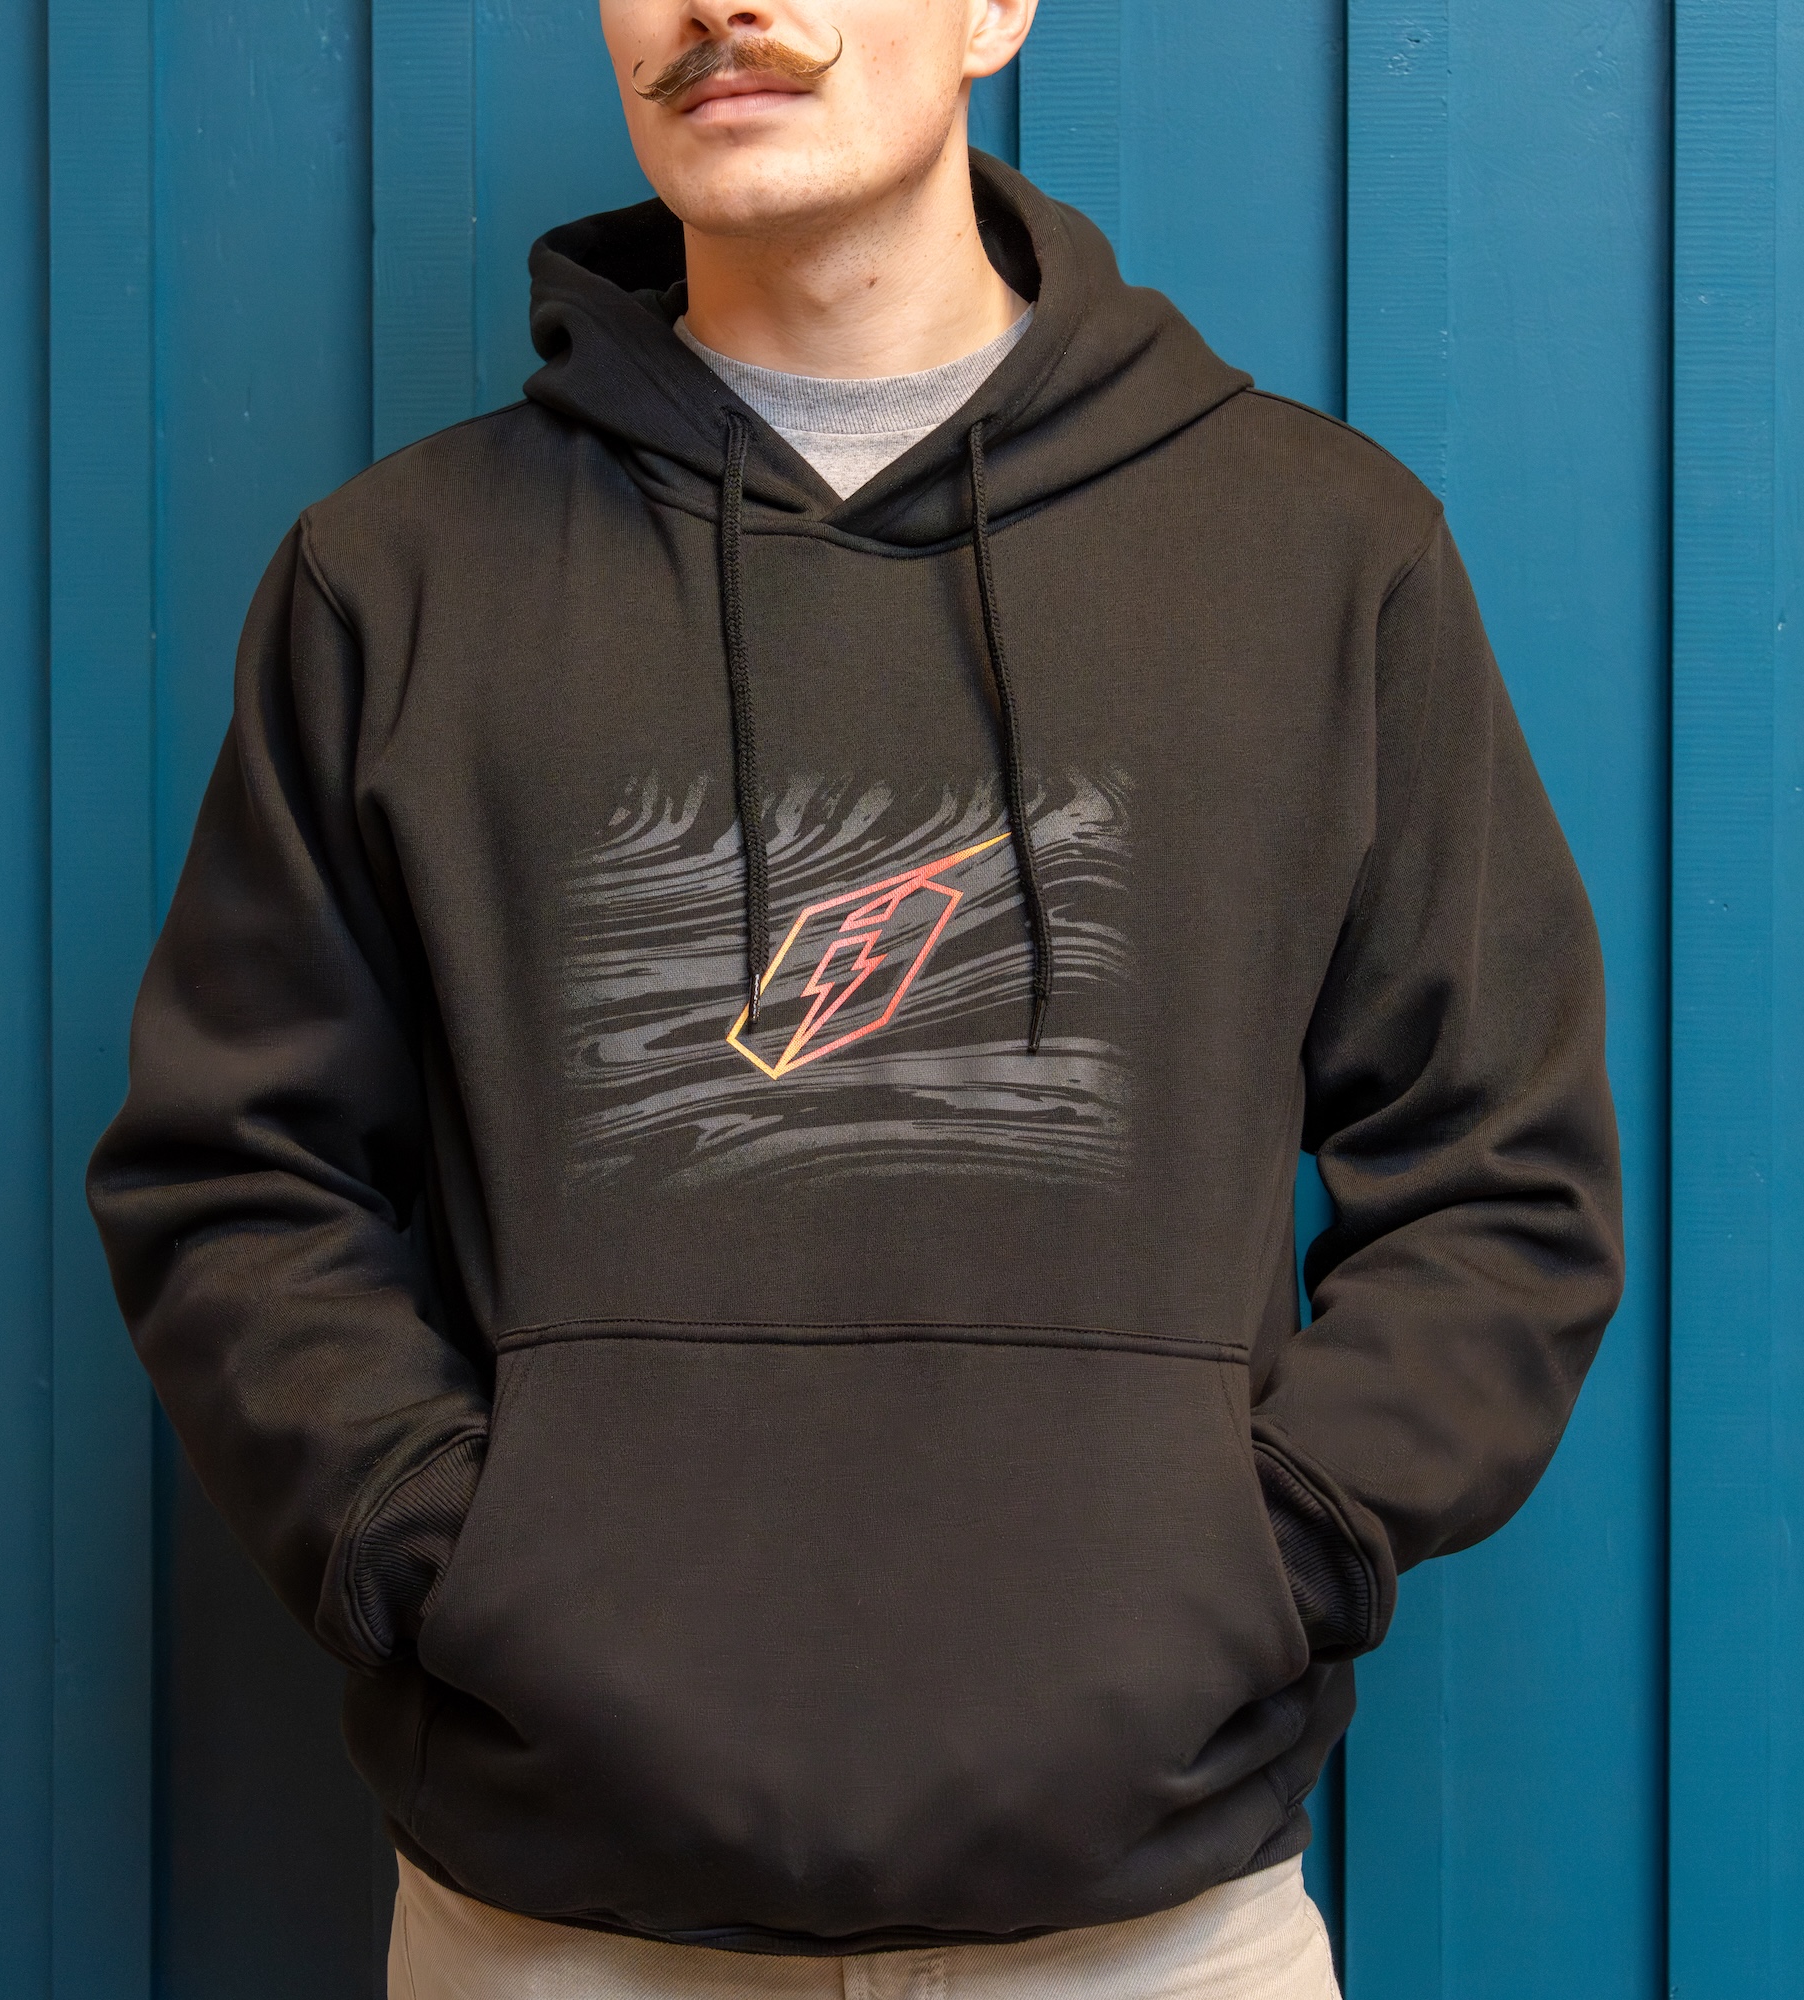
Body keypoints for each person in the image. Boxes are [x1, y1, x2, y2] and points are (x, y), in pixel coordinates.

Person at [87, 0, 1625, 1992]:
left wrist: (1268, 1550)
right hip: (553, 1925)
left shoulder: (1322, 556)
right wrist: (441, 1547)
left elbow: (1505, 1184)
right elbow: (235, 1179)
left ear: (996, 10)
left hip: (1157, 1929)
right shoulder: (398, 579)